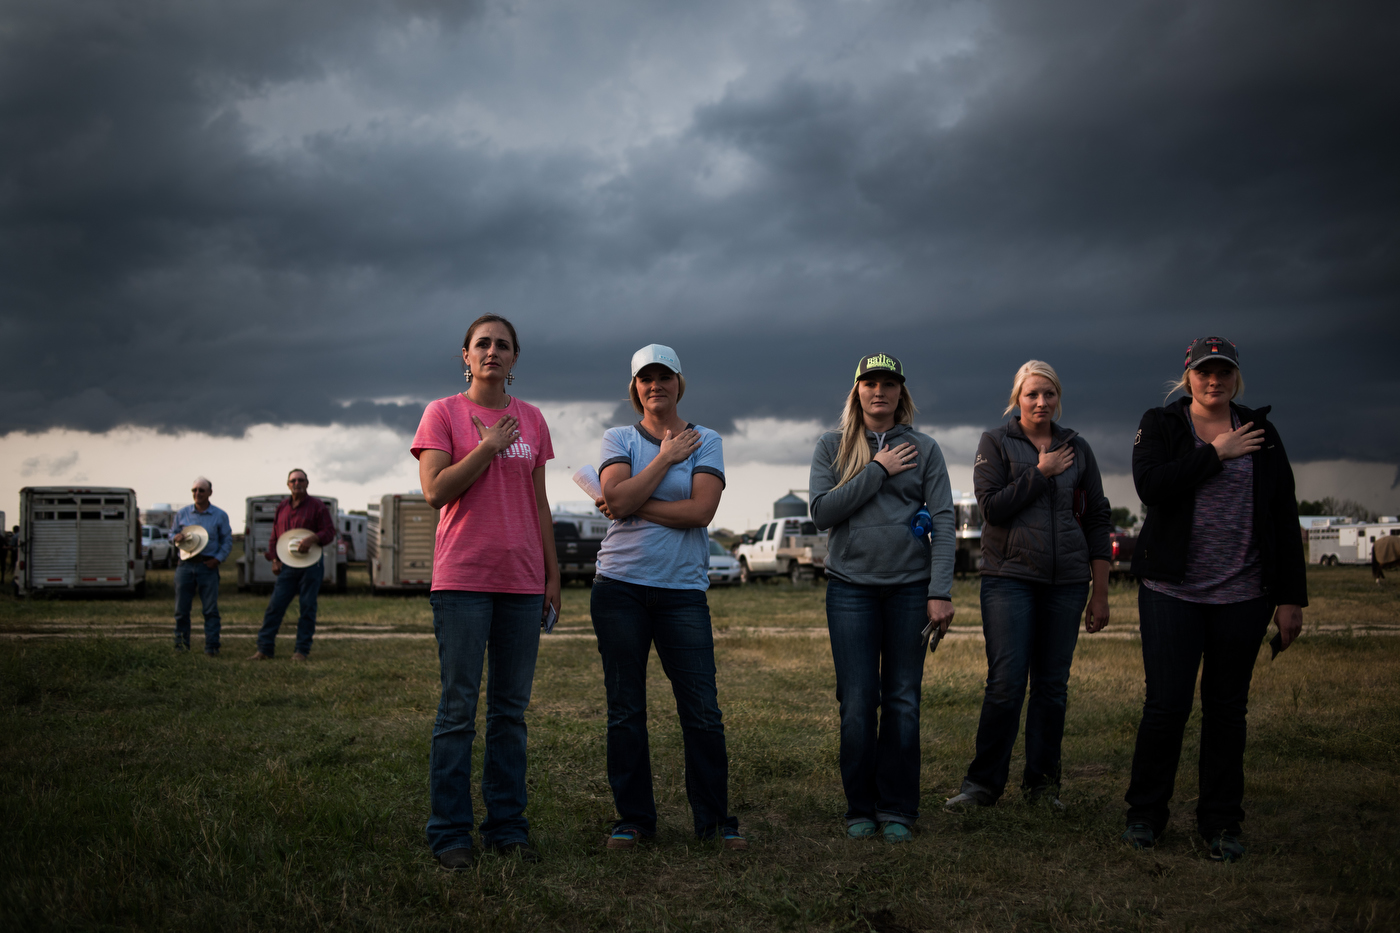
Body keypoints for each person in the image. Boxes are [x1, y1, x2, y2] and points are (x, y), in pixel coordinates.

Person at [1121, 336, 1307, 862]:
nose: (1214, 379)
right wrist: (1214, 454)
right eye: (1204, 371)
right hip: (1170, 592)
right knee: (1166, 706)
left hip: (1244, 595)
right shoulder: (1160, 424)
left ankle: (1221, 822)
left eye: (1223, 371)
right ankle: (1144, 816)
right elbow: (1150, 486)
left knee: (1227, 711)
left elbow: (1283, 514)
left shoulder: (1262, 432)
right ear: (1188, 376)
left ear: (1235, 377)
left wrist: (1292, 598)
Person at [413, 313, 559, 870]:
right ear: (466, 357)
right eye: (482, 344)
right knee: (457, 710)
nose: (492, 351)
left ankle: (507, 827)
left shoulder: (534, 419)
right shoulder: (443, 413)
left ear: (514, 359)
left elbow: (539, 503)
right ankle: (450, 832)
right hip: (463, 581)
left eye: (502, 345)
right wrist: (489, 445)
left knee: (509, 713)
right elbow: (435, 491)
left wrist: (551, 575)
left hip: (522, 583)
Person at [590, 343, 745, 851]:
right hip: (620, 589)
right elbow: (615, 498)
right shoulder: (618, 437)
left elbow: (701, 512)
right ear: (634, 388)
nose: (655, 385)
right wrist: (665, 459)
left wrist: (632, 503)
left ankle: (715, 822)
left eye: (665, 376)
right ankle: (634, 821)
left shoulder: (707, 439)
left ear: (680, 382)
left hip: (681, 593)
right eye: (645, 378)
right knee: (625, 709)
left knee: (702, 710)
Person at [945, 361, 1112, 812]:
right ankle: (982, 786)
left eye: (1049, 394)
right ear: (1017, 398)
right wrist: (1041, 471)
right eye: (1032, 394)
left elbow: (1097, 517)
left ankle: (1042, 789)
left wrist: (1100, 591)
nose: (1041, 402)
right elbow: (992, 509)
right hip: (1009, 580)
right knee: (1006, 683)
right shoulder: (995, 443)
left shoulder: (1078, 448)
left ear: (1059, 399)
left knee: (1052, 687)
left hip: (1068, 584)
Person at [809, 353, 956, 842]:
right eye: (870, 383)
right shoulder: (831, 447)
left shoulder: (926, 449)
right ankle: (860, 809)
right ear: (857, 392)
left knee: (902, 701)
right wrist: (876, 468)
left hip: (910, 591)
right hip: (850, 589)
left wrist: (939, 592)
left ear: (900, 393)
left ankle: (897, 809)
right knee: (857, 703)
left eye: (889, 383)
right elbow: (823, 513)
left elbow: (944, 522)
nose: (880, 391)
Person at [251, 468, 336, 661]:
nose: (297, 483)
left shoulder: (317, 506)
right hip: (287, 565)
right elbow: (275, 536)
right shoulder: (282, 507)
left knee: (307, 607)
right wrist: (274, 559)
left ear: (307, 483)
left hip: (311, 565)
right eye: (293, 481)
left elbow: (329, 532)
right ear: (288, 485)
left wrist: (312, 539)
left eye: (300, 480)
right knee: (275, 606)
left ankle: (301, 651)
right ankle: (264, 649)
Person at [169, 476, 234, 656]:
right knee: (181, 610)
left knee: (210, 610)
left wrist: (218, 559)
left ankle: (212, 648)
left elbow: (227, 541)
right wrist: (175, 538)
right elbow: (171, 534)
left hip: (208, 566)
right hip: (185, 566)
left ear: (210, 493)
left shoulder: (219, 515)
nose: (197, 493)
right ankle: (181, 647)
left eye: (201, 490)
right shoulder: (182, 514)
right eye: (194, 490)